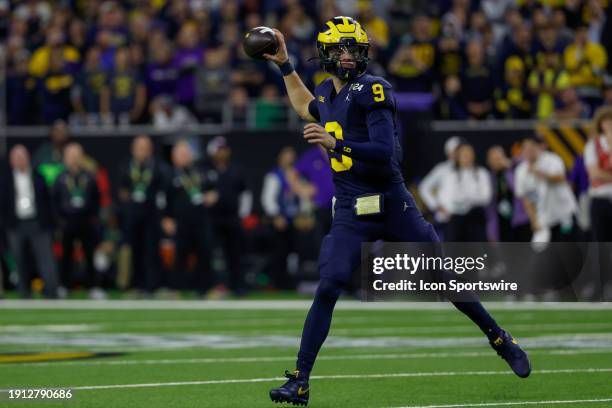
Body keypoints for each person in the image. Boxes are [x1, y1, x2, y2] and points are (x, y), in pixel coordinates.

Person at [263, 17, 531, 406]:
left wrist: (337, 146)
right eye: (340, 49)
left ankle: (499, 336)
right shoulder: (325, 91)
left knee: (443, 280)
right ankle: (300, 380)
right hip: (353, 209)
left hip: (392, 204)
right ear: (324, 53)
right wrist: (285, 65)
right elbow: (307, 106)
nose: (348, 56)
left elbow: (385, 152)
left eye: (353, 48)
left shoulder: (373, 89)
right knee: (329, 283)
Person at [0, 145, 58, 298]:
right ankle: (23, 291)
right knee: (18, 259)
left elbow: (48, 202)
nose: (19, 160)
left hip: (37, 223)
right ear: (11, 161)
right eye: (16, 157)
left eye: (22, 157)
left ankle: (51, 291)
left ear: (28, 158)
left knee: (45, 258)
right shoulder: (5, 179)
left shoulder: (38, 176)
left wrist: (50, 223)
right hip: (16, 224)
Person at [162, 141, 217, 294]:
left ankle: (205, 289)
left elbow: (213, 190)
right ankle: (175, 289)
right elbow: (164, 199)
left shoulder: (201, 171)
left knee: (205, 253)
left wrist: (212, 196)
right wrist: (166, 218)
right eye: (181, 153)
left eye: (187, 153)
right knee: (180, 256)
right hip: (181, 221)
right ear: (174, 157)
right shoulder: (169, 175)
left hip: (201, 219)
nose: (185, 156)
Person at [117, 135, 166, 293]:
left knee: (152, 250)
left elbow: (162, 192)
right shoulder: (126, 166)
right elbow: (121, 190)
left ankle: (153, 286)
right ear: (133, 149)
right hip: (132, 215)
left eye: (145, 148)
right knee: (134, 250)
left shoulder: (157, 167)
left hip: (151, 214)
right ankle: (136, 285)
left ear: (150, 150)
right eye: (139, 147)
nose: (142, 151)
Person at [52, 143, 102, 297]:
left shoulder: (89, 176)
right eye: (70, 156)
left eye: (76, 155)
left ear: (82, 157)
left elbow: (96, 199)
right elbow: (54, 201)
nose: (73, 159)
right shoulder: (60, 178)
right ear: (65, 158)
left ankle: (93, 287)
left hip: (85, 221)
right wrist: (59, 221)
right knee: (66, 256)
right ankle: (64, 286)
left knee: (89, 255)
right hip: (67, 222)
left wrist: (93, 217)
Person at [261, 146, 313, 290]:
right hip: (281, 220)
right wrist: (276, 216)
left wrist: (305, 214)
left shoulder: (298, 175)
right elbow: (268, 199)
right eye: (286, 155)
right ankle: (278, 281)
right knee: (280, 252)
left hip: (295, 220)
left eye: (291, 155)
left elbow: (304, 197)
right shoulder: (274, 175)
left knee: (297, 252)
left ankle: (294, 281)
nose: (289, 158)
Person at [206, 136, 252, 296]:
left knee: (235, 253)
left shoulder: (236, 169)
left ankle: (238, 286)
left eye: (224, 149)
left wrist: (243, 215)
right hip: (212, 219)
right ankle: (214, 285)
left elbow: (245, 193)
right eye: (219, 149)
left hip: (232, 218)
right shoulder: (206, 170)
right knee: (213, 254)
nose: (222, 153)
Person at [515, 137, 578, 242]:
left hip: (564, 214)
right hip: (544, 218)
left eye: (531, 148)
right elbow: (527, 198)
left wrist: (538, 173)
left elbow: (560, 177)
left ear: (537, 147)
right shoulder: (521, 171)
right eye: (525, 149)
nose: (528, 151)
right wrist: (534, 220)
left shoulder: (552, 159)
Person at [437, 142, 492, 242]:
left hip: (476, 219)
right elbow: (444, 198)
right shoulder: (450, 175)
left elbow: (486, 198)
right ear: (458, 157)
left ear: (473, 155)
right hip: (455, 219)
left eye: (469, 153)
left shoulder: (482, 173)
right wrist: (452, 207)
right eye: (463, 153)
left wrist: (467, 198)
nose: (466, 156)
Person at [486, 145, 531, 242]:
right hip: (501, 224)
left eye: (499, 158)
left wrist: (510, 166)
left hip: (520, 220)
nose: (497, 161)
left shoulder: (515, 169)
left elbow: (519, 189)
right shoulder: (489, 178)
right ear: (489, 162)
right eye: (493, 159)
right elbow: (490, 208)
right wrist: (491, 230)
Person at [418, 136, 461, 235]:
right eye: (455, 151)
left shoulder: (468, 170)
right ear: (449, 153)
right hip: (445, 218)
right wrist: (435, 205)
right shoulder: (442, 169)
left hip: (463, 218)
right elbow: (424, 187)